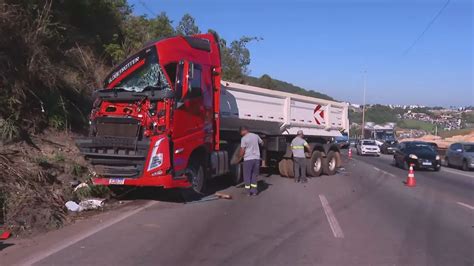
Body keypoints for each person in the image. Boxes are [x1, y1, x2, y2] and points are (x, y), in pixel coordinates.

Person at [239, 126, 263, 196]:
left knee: (247, 175)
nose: (241, 134)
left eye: (241, 132)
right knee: (254, 175)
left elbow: (242, 150)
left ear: (243, 131)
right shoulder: (256, 136)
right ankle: (254, 191)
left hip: (248, 159)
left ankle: (248, 192)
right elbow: (262, 143)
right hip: (256, 159)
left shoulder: (244, 138)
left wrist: (239, 157)